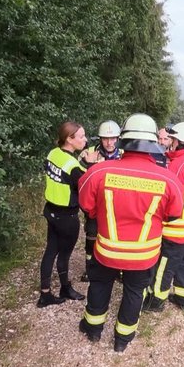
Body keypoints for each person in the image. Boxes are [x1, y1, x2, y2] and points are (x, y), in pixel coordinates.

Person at [77, 113, 184, 352]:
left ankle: (93, 330)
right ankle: (122, 340)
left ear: (123, 140)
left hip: (107, 249)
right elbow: (174, 214)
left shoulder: (99, 172)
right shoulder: (168, 179)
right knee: (135, 291)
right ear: (152, 143)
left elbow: (87, 206)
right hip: (143, 253)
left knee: (100, 285)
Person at [144, 122, 184, 311]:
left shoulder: (179, 164)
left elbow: (169, 195)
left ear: (181, 142)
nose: (170, 143)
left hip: (176, 228)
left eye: (173, 139)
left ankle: (155, 301)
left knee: (165, 266)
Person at [37, 121, 88, 308]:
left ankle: (45, 294)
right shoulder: (73, 165)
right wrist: (89, 166)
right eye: (81, 136)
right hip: (67, 216)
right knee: (64, 254)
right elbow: (84, 185)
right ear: (70, 139)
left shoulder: (53, 153)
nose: (85, 139)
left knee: (50, 250)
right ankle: (65, 288)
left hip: (51, 210)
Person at [78, 120, 124, 282]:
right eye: (105, 139)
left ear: (118, 138)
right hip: (96, 206)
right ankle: (90, 269)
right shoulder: (88, 153)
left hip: (118, 206)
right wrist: (88, 163)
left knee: (117, 238)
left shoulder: (125, 154)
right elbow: (81, 180)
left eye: (113, 139)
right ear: (100, 139)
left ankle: (117, 269)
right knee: (92, 237)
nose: (109, 142)